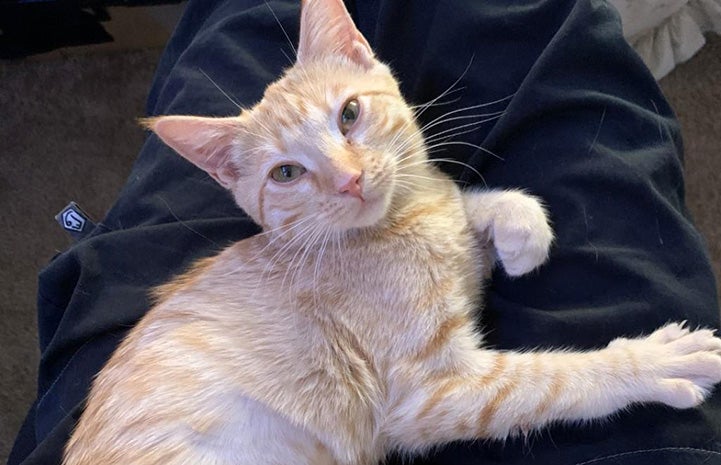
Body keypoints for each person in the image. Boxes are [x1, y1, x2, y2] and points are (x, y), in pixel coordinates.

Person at [9, 1, 721, 464]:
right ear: (235, 182)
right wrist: (620, 370)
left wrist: (480, 215)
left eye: (349, 116)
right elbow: (431, 402)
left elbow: (418, 289)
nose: (346, 177)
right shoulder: (321, 262)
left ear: (359, 53)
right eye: (287, 174)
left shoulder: (390, 231)